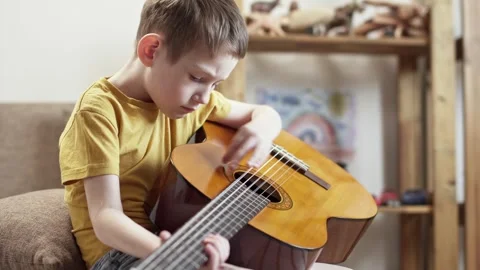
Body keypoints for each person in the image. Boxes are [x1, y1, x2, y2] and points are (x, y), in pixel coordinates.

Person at [58, 0, 282, 269]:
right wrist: (178, 253)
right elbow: (106, 218)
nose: (205, 97)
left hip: (169, 241)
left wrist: (263, 129)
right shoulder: (99, 111)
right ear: (151, 51)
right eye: (198, 78)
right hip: (120, 254)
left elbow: (264, 113)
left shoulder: (193, 102)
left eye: (216, 84)